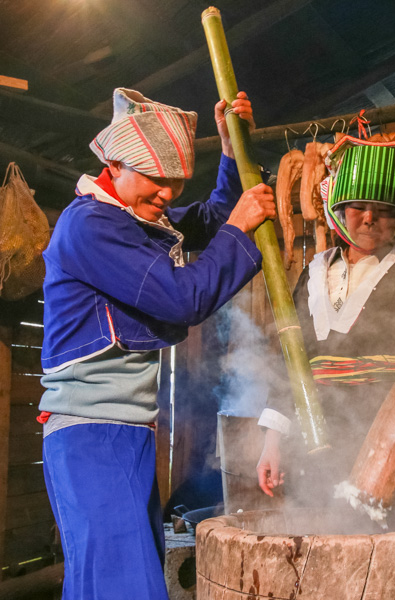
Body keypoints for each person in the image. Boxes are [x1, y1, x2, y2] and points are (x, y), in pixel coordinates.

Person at [38, 88, 276, 600]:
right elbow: (181, 299)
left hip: (124, 434)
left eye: (176, 182)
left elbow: (212, 222)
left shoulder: (132, 219)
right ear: (116, 163)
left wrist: (232, 153)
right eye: (156, 179)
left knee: (108, 586)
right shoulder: (91, 226)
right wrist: (241, 226)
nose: (168, 193)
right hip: (91, 435)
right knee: (124, 589)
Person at [256, 135, 395, 510]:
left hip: (392, 450)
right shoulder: (314, 274)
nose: (369, 218)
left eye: (383, 209)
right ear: (339, 209)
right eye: (357, 205)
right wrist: (271, 443)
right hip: (313, 451)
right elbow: (288, 363)